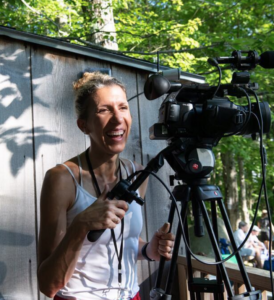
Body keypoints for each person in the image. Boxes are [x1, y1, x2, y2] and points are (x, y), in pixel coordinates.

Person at [37, 72, 175, 300]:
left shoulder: (138, 174)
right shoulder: (62, 179)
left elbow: (121, 242)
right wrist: (81, 224)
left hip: (132, 296)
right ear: (84, 125)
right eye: (104, 110)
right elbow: (48, 284)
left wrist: (149, 249)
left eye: (123, 107)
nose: (117, 118)